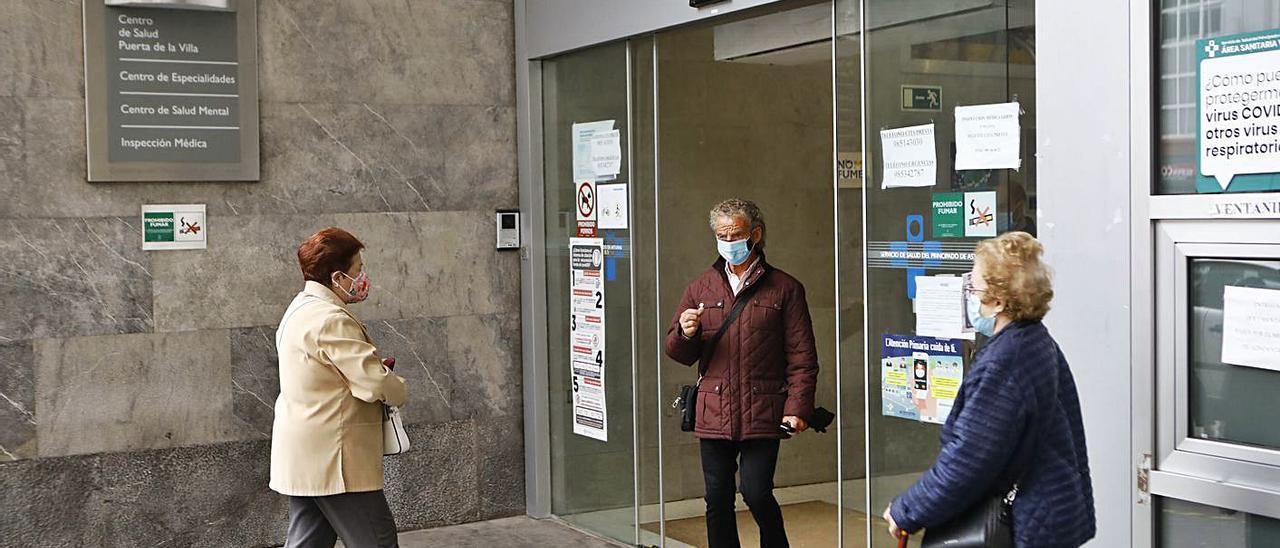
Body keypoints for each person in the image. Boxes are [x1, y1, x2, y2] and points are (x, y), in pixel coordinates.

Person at [883, 231, 1095, 548]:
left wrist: (906, 511)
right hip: (1050, 513)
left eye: (974, 286)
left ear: (998, 301)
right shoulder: (1036, 341)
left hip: (1025, 525)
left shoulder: (1006, 362)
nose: (969, 293)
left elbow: (968, 461)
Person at [664, 198, 819, 548]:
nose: (728, 243)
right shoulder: (700, 288)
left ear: (756, 234)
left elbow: (802, 357)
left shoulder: (785, 289)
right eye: (721, 236)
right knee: (717, 498)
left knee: (757, 492)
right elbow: (677, 352)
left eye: (735, 234)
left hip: (762, 408)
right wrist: (686, 333)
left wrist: (797, 409)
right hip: (714, 410)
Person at [271, 228, 408, 548]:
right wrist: (397, 386)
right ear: (337, 276)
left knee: (309, 541)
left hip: (307, 451)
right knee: (377, 539)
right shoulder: (331, 319)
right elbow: (372, 383)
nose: (362, 277)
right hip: (336, 456)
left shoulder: (299, 308)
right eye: (358, 270)